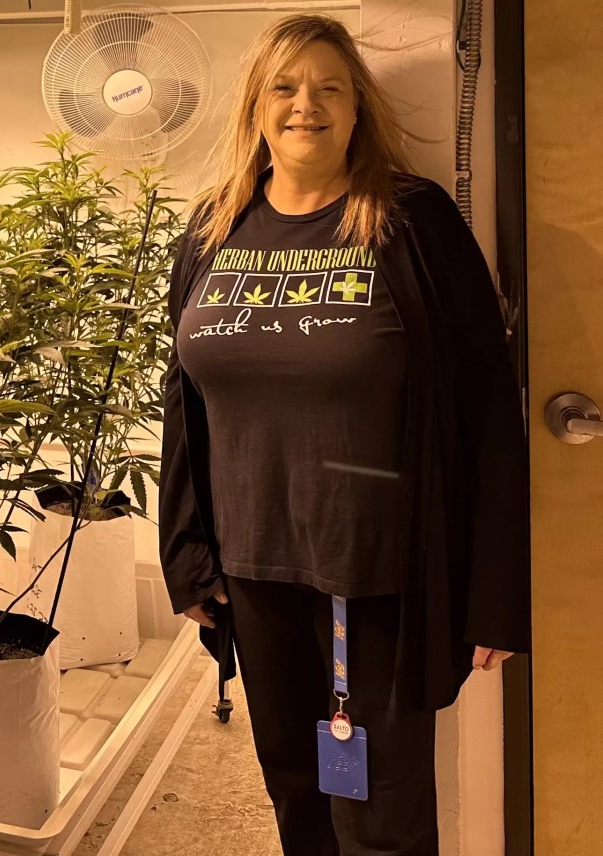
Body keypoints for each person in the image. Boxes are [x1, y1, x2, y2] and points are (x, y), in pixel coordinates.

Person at [158, 14, 530, 856]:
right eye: (285, 88)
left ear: (358, 107)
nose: (306, 106)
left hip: (381, 574)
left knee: (382, 820)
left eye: (330, 88)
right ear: (256, 106)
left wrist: (495, 590)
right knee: (295, 792)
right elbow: (183, 397)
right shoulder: (213, 229)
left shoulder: (411, 221)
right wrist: (185, 552)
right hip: (254, 570)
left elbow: (485, 412)